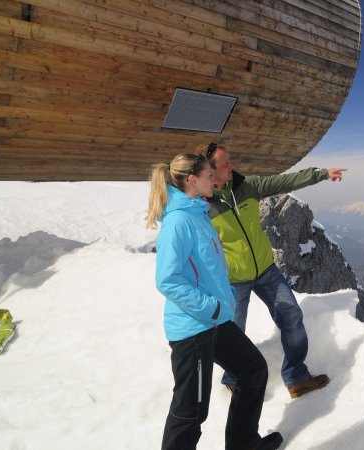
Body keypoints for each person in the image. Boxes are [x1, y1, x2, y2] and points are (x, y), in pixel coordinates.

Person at [146, 153, 282, 450]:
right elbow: (167, 280)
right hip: (194, 328)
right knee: (191, 411)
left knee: (253, 370)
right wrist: (212, 306)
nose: (215, 180)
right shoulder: (178, 222)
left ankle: (243, 444)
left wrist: (225, 300)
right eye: (210, 175)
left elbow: (209, 268)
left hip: (215, 321)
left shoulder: (198, 213)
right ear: (192, 180)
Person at [196, 142, 345, 399]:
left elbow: (284, 182)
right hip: (233, 280)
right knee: (234, 334)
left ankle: (296, 377)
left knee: (291, 318)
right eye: (225, 163)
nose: (232, 166)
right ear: (209, 170)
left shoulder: (247, 186)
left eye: (231, 160)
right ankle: (233, 379)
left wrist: (320, 174)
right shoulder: (201, 206)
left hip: (266, 271)